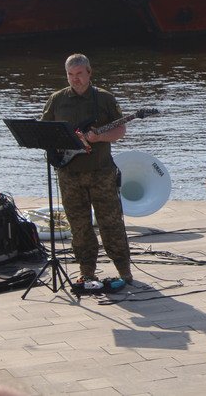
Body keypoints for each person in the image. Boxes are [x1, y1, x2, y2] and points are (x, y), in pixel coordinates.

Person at [41, 53, 131, 283]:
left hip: (101, 172)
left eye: (79, 74)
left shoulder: (104, 98)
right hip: (69, 173)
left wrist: (98, 138)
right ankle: (86, 271)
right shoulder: (57, 99)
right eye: (70, 75)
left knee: (110, 223)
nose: (75, 79)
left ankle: (124, 271)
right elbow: (45, 131)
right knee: (79, 226)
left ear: (89, 73)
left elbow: (120, 131)